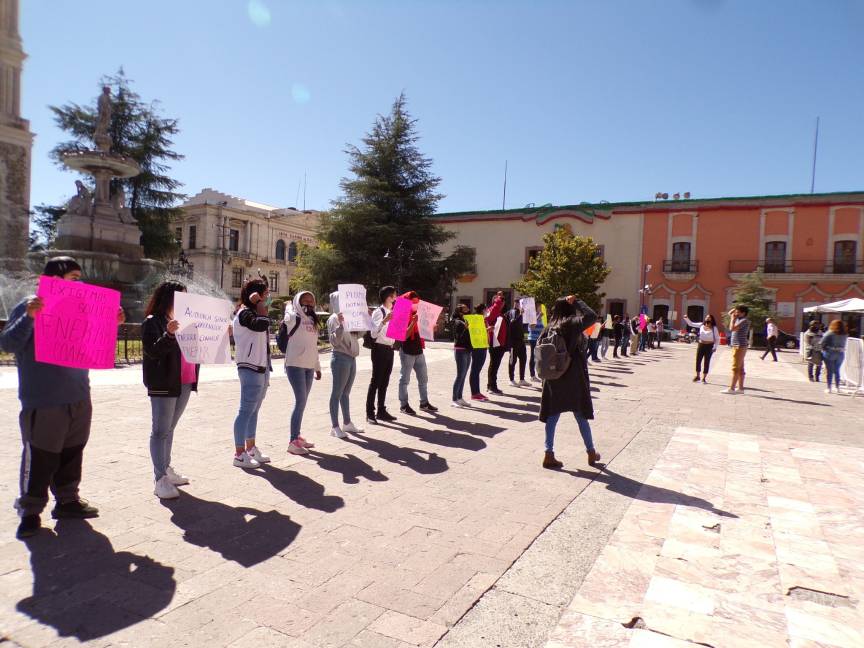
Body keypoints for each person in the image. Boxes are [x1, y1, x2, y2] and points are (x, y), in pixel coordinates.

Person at [1, 257, 125, 539]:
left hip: (79, 396)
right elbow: (7, 344)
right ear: (54, 280)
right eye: (73, 277)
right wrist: (29, 317)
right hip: (44, 400)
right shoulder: (32, 304)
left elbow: (93, 343)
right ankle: (30, 513)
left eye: (80, 277)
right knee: (40, 457)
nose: (78, 282)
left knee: (72, 452)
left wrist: (111, 323)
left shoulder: (79, 308)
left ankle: (68, 500)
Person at [142, 281, 200, 499]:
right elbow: (152, 352)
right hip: (164, 383)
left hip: (185, 380)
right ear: (168, 298)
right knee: (160, 431)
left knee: (170, 428)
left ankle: (166, 469)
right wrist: (168, 334)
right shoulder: (152, 322)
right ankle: (160, 479)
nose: (185, 301)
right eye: (180, 296)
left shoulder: (185, 321)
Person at [539, 296, 601, 469]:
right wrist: (578, 301)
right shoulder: (571, 324)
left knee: (552, 416)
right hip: (573, 376)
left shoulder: (549, 327)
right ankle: (590, 452)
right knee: (581, 416)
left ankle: (548, 453)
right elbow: (592, 316)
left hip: (553, 377)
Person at [231, 277, 273, 469]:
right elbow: (262, 323)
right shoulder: (245, 313)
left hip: (261, 367)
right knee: (245, 410)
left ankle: (250, 447)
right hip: (249, 367)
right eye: (265, 294)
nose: (267, 298)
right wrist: (258, 303)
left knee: (254, 410)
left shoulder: (252, 311)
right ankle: (239, 454)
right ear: (255, 295)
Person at [284, 291, 322, 454]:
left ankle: (297, 436)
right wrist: (288, 307)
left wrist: (317, 367)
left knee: (303, 402)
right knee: (300, 401)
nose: (308, 303)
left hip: (308, 366)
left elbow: (313, 346)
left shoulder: (313, 320)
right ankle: (292, 442)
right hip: (295, 364)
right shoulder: (293, 317)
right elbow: (288, 319)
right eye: (304, 300)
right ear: (298, 302)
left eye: (311, 301)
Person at [327, 291, 364, 438]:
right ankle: (334, 426)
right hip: (340, 358)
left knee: (346, 393)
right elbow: (334, 341)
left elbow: (358, 335)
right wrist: (341, 325)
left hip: (351, 358)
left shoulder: (351, 316)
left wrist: (364, 321)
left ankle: (347, 423)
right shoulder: (333, 319)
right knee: (336, 393)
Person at [398, 291, 438, 414]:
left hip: (418, 350)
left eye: (417, 301)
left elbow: (423, 332)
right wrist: (414, 322)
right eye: (413, 301)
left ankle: (424, 403)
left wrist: (431, 328)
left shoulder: (419, 312)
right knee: (404, 380)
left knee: (423, 379)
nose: (416, 304)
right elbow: (404, 335)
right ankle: (404, 405)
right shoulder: (402, 312)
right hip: (407, 350)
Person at [366, 286, 398, 425]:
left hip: (389, 349)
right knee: (376, 381)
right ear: (389, 297)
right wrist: (385, 320)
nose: (396, 298)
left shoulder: (393, 312)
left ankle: (381, 410)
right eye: (394, 296)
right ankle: (369, 413)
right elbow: (373, 333)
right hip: (379, 349)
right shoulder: (379, 312)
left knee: (384, 381)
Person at [721, 305, 750, 395]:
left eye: (738, 312)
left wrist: (733, 319)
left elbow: (732, 328)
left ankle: (732, 388)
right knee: (740, 368)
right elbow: (730, 313)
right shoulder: (739, 318)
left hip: (739, 346)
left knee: (735, 367)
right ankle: (740, 388)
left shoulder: (744, 321)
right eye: (736, 312)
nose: (735, 313)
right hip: (737, 345)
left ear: (743, 313)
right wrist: (735, 309)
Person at [683, 314, 719, 383]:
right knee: (698, 360)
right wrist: (686, 318)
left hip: (709, 346)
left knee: (707, 361)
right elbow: (691, 324)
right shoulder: (701, 325)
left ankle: (704, 377)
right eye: (706, 317)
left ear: (712, 319)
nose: (707, 318)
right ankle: (698, 376)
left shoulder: (714, 328)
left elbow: (717, 338)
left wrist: (715, 347)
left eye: (709, 318)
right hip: (701, 344)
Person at [485, 291, 508, 394]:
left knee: (495, 365)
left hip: (500, 343)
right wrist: (499, 298)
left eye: (503, 302)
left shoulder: (499, 313)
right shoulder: (492, 311)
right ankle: (491, 387)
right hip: (495, 343)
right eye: (500, 301)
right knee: (494, 365)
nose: (502, 303)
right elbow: (490, 317)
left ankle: (491, 385)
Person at [451, 304, 473, 407]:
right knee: (460, 375)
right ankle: (454, 399)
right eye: (465, 308)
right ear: (460, 311)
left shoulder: (466, 321)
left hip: (468, 350)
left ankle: (460, 397)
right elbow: (458, 337)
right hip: (460, 350)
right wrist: (466, 329)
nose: (468, 309)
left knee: (464, 375)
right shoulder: (457, 322)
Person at [469, 304, 490, 400]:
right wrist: (487, 330)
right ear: (482, 310)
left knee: (477, 370)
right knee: (475, 370)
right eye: (486, 309)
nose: (487, 311)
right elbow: (476, 332)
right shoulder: (477, 318)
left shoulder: (482, 319)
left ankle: (477, 392)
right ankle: (475, 393)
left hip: (483, 346)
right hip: (478, 347)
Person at [821, 319, 848, 394]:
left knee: (829, 371)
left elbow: (822, 342)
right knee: (837, 371)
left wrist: (824, 349)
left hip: (830, 353)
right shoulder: (845, 334)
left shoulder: (830, 333)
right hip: (840, 354)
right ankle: (837, 387)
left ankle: (829, 388)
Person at [506, 303, 529, 386]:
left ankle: (522, 379)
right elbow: (512, 324)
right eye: (519, 303)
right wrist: (521, 315)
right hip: (513, 341)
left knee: (523, 359)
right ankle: (511, 379)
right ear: (515, 304)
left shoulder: (522, 312)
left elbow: (524, 325)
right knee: (513, 360)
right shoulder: (512, 312)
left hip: (521, 340)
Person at [527, 313, 544, 382]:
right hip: (533, 339)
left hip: (539, 339)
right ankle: (532, 375)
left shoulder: (540, 318)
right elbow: (531, 327)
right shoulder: (532, 317)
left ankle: (539, 374)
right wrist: (537, 317)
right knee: (533, 356)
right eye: (538, 306)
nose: (540, 308)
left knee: (538, 357)